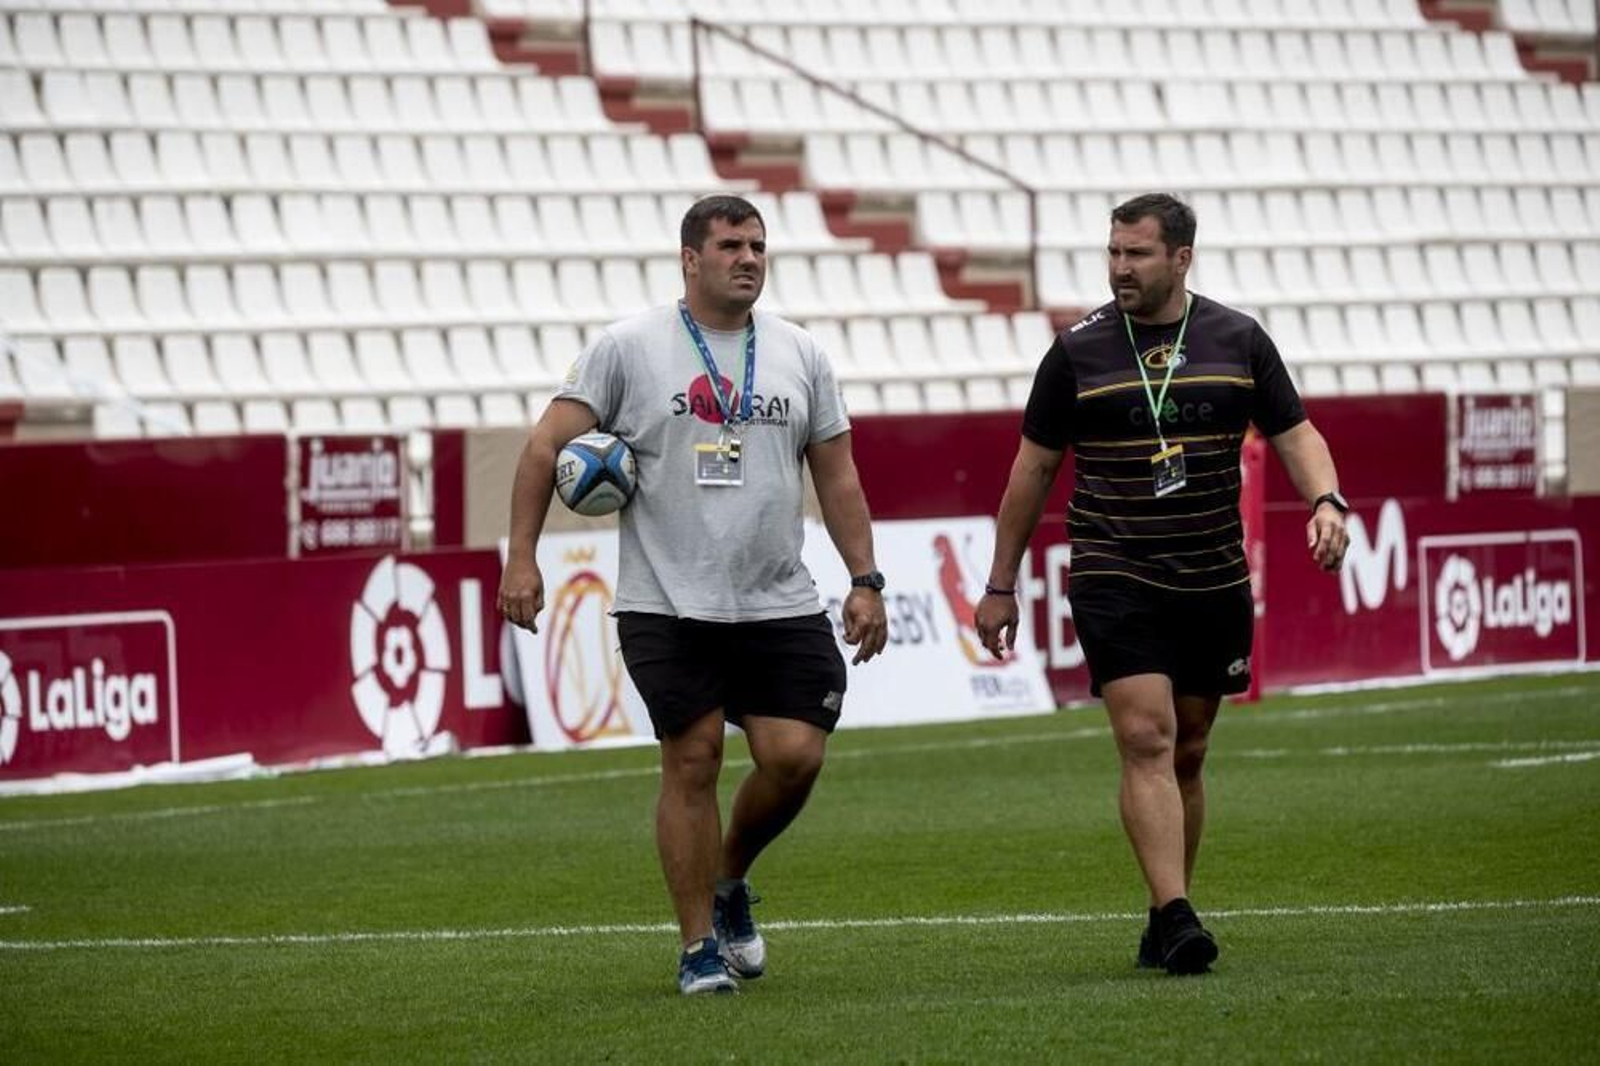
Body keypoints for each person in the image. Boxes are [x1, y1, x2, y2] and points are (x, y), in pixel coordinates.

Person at [497, 194, 889, 996]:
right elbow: (544, 447)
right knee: (694, 757)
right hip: (666, 601)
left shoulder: (800, 353)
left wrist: (865, 578)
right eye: (731, 245)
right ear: (690, 258)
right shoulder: (628, 348)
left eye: (757, 245)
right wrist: (523, 560)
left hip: (778, 598)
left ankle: (729, 875)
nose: (749, 258)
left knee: (795, 756)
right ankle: (697, 947)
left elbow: (837, 473)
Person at [974, 193, 1350, 975]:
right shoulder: (1076, 351)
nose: (1119, 268)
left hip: (1213, 572)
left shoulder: (1239, 339)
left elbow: (1295, 432)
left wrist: (1326, 500)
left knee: (1190, 748)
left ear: (1180, 258)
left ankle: (1162, 910)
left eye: (1136, 254)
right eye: (1112, 252)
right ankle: (1180, 917)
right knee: (1145, 738)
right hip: (1115, 566)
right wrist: (1001, 583)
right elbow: (1032, 470)